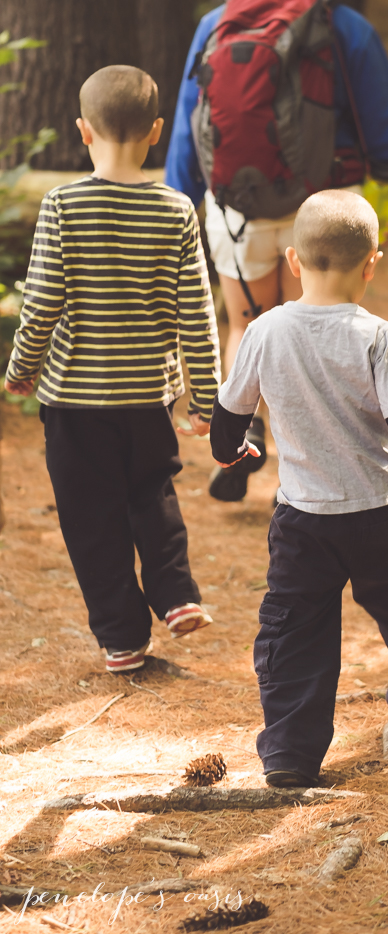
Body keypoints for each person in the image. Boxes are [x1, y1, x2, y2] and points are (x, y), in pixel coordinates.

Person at [209, 190, 388, 788]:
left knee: (294, 628)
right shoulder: (377, 335)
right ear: (371, 264)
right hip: (381, 513)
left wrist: (230, 453)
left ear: (293, 261)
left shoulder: (265, 330)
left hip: (303, 519)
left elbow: (230, 415)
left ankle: (289, 754)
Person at [4, 65, 221, 674]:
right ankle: (176, 595)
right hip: (148, 398)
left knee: (89, 516)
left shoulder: (63, 206)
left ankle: (123, 637)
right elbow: (197, 318)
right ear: (156, 131)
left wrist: (21, 367)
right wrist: (207, 399)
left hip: (74, 404)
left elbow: (42, 300)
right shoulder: (176, 210)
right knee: (151, 493)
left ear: (82, 131)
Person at [165, 0, 388, 502]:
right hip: (324, 202)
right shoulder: (344, 27)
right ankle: (324, 466)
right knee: (327, 328)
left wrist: (185, 195)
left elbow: (189, 121)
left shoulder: (215, 25)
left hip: (238, 205)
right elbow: (383, 119)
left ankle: (243, 434)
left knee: (246, 324)